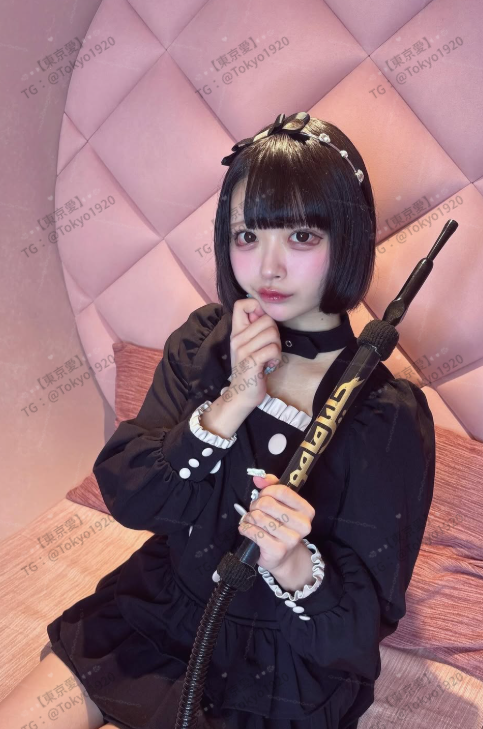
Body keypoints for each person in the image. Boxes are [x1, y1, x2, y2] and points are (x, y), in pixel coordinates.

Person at [0, 112, 436, 729]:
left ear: (348, 240)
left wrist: (297, 564)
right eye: (247, 235)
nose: (268, 267)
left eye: (301, 237)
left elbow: (359, 630)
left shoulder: (384, 415)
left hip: (281, 672)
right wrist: (230, 404)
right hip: (158, 614)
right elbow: (131, 496)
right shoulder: (205, 341)